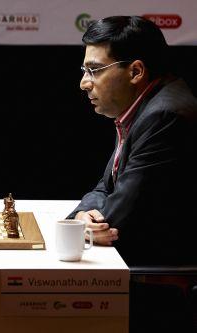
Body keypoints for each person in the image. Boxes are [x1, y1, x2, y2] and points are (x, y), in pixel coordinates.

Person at [67, 16, 197, 266]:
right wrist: (82, 216)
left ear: (136, 71)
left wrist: (84, 224)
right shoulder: (144, 107)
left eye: (94, 70)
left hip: (162, 270)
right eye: (84, 71)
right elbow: (106, 187)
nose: (84, 83)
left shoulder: (165, 115)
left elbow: (116, 220)